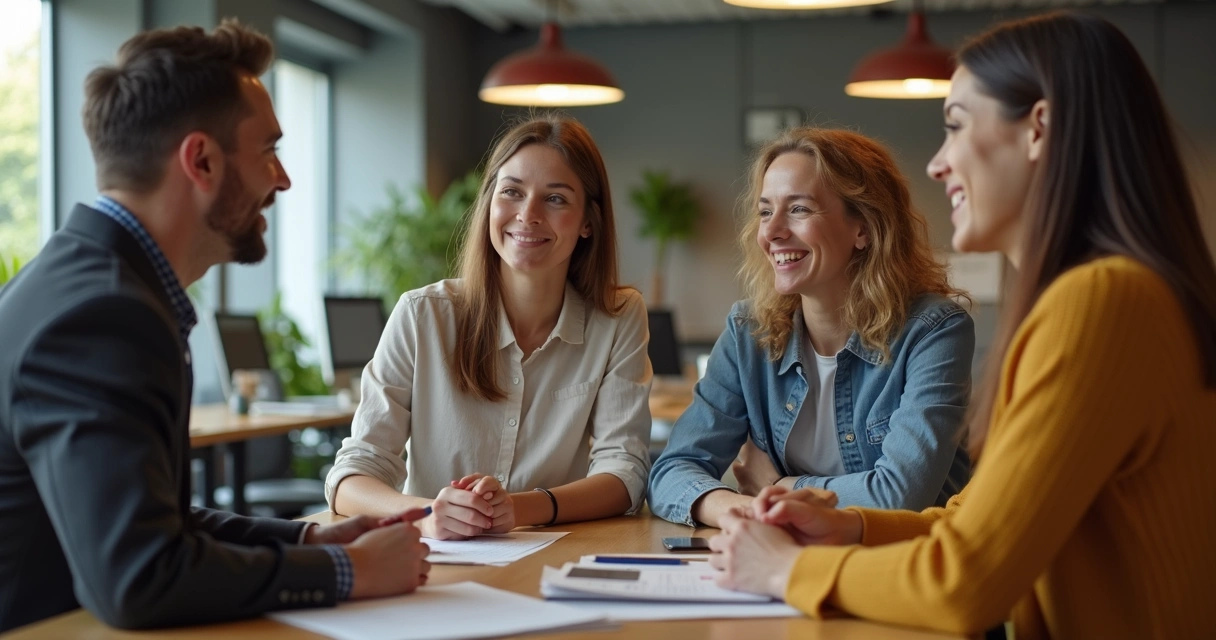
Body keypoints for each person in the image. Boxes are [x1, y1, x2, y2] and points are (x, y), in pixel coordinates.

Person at [708, 12, 1216, 639]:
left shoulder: (1103, 301)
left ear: (1038, 129)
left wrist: (790, 571)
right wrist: (852, 525)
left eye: (955, 127)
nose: (938, 165)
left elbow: (968, 581)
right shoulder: (1110, 294)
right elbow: (976, 519)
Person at [0, 21, 431, 633]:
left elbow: (157, 521)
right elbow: (140, 576)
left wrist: (317, 537)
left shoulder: (87, 282)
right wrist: (349, 573)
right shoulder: (102, 318)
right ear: (200, 160)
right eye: (268, 151)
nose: (282, 180)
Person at [326, 114, 652, 540]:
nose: (528, 215)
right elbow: (352, 474)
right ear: (489, 204)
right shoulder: (423, 315)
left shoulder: (617, 316)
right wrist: (427, 514)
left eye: (555, 199)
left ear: (588, 221)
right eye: (512, 192)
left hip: (552, 557)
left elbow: (624, 472)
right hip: (437, 564)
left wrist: (518, 508)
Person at [648, 128, 973, 528]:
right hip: (788, 559)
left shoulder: (933, 331)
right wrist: (747, 512)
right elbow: (673, 470)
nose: (771, 232)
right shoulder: (749, 332)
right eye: (766, 211)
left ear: (864, 228)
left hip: (902, 567)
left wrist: (780, 487)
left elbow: (900, 495)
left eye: (798, 209)